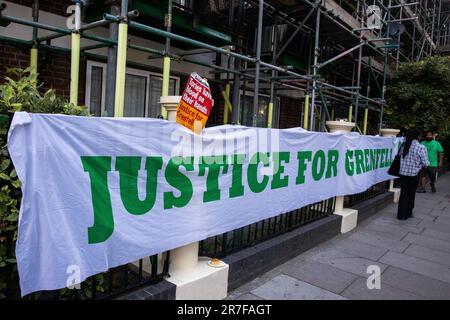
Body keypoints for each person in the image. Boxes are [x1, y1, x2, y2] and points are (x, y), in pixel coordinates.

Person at [397, 128, 430, 220]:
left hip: (403, 174)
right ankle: (408, 213)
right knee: (411, 194)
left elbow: (399, 157)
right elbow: (426, 163)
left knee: (403, 193)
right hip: (414, 175)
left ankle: (401, 215)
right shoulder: (421, 147)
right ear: (418, 137)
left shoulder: (404, 145)